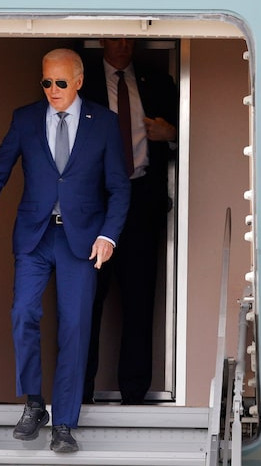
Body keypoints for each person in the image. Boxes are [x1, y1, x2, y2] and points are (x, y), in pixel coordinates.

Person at [0, 48, 130, 453]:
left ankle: (65, 423)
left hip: (82, 242)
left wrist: (109, 236)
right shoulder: (25, 118)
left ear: (79, 81)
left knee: (75, 328)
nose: (53, 90)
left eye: (61, 83)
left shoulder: (104, 124)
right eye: (46, 82)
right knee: (23, 314)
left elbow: (120, 188)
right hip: (35, 237)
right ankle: (34, 403)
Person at [80, 38, 179, 405]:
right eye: (115, 38)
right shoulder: (82, 82)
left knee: (139, 300)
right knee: (87, 298)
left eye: (127, 38)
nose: (122, 44)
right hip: (94, 207)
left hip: (140, 202)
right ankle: (81, 390)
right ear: (103, 39)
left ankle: (135, 393)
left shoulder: (158, 83)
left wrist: (171, 135)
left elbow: (187, 138)